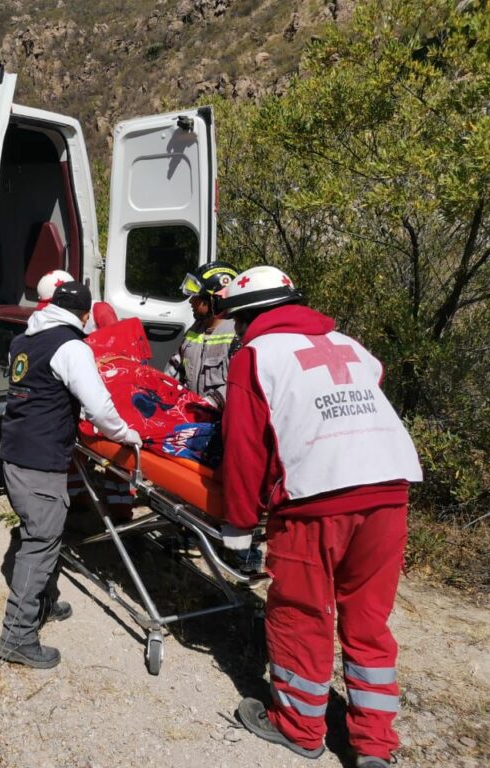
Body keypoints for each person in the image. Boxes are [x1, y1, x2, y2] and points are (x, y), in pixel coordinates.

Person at [215, 265, 422, 768]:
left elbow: (243, 450)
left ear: (247, 317)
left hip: (316, 497)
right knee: (368, 619)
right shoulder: (350, 345)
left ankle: (299, 727)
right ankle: (374, 744)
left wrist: (239, 524)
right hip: (390, 488)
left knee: (302, 614)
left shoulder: (254, 356)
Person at [0, 281, 141, 669]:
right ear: (85, 315)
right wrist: (126, 434)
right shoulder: (72, 347)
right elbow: (99, 408)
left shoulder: (23, 340)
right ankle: (17, 636)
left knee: (38, 534)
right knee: (41, 542)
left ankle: (43, 602)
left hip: (14, 453)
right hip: (40, 461)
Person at [166, 260, 240, 408]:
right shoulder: (194, 331)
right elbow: (173, 371)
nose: (191, 302)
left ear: (215, 299)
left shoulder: (237, 335)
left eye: (197, 297)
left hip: (217, 417)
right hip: (191, 414)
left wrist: (211, 403)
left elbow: (240, 385)